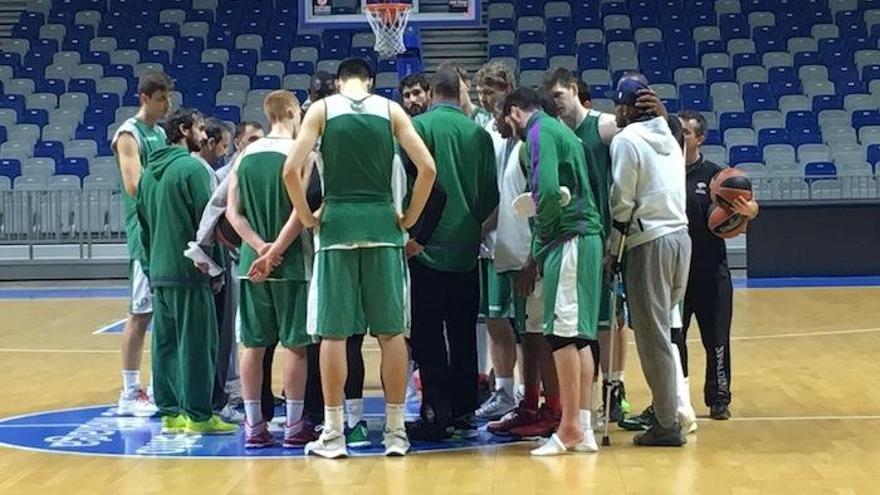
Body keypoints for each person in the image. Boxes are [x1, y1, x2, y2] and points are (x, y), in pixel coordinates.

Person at [281, 58, 437, 458]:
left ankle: (334, 433)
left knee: (333, 334)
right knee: (391, 333)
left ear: (338, 82)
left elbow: (289, 171)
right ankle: (396, 432)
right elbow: (428, 169)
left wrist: (306, 217)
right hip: (384, 229)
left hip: (336, 229)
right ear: (370, 81)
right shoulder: (391, 109)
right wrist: (409, 218)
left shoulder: (320, 110)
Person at [501, 87, 604, 455]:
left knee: (560, 335)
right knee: (578, 337)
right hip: (587, 236)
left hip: (569, 240)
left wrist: (540, 244)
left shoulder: (538, 133)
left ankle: (570, 427)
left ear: (514, 111)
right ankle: (583, 426)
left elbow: (544, 192)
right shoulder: (563, 131)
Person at [405, 67, 499, 441]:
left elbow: (411, 185)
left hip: (425, 248)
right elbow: (490, 197)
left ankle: (434, 410)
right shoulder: (478, 133)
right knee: (463, 335)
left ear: (429, 92)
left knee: (427, 336)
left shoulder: (420, 128)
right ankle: (463, 410)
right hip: (465, 249)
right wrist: (470, 225)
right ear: (458, 92)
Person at [137, 108, 237, 435]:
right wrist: (216, 269)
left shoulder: (149, 172)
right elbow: (207, 224)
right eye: (198, 127)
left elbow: (144, 227)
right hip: (190, 269)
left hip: (160, 268)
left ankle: (170, 411)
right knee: (197, 342)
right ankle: (198, 415)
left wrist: (151, 267)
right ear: (184, 130)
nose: (204, 133)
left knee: (165, 343)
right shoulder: (192, 169)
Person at [226, 90, 315, 448]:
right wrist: (276, 249)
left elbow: (233, 212)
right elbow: (301, 210)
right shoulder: (301, 153)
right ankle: (294, 426)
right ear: (293, 112)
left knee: (253, 345)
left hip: (252, 265)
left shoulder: (244, 155)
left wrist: (259, 248)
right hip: (292, 262)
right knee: (295, 345)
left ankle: (254, 425)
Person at [608, 72, 690, 447]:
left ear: (625, 108)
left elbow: (622, 200)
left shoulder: (626, 140)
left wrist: (613, 252)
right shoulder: (673, 139)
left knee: (652, 334)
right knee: (664, 330)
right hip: (680, 238)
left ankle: (667, 422)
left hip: (649, 241)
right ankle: (667, 407)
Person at [486, 92, 563, 440]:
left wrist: (533, 259)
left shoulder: (534, 142)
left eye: (505, 117)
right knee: (528, 337)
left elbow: (544, 201)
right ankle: (531, 403)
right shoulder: (526, 145)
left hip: (530, 256)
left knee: (542, 337)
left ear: (514, 112)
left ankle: (554, 409)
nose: (503, 124)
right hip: (520, 254)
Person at [678, 110, 758, 420]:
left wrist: (749, 212)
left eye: (686, 132)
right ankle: (677, 397)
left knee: (717, 340)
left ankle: (719, 398)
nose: (681, 137)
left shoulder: (717, 177)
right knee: (675, 340)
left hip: (712, 271)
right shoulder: (664, 171)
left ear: (699, 138)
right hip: (675, 272)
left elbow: (745, 211)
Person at [112, 71, 172, 417]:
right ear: (145, 98)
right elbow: (134, 183)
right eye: (162, 98)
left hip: (161, 226)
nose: (168, 104)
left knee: (160, 309)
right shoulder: (128, 134)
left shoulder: (161, 132)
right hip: (143, 230)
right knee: (139, 313)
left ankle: (154, 385)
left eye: (169, 98)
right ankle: (129, 390)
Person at [470, 61, 520, 421]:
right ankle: (504, 389)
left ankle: (521, 391)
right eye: (480, 93)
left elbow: (509, 190)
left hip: (512, 237)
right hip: (490, 239)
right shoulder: (486, 128)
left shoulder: (518, 129)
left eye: (490, 91)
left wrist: (484, 223)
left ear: (506, 87)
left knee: (520, 323)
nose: (485, 98)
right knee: (495, 318)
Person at [189, 117, 242, 424]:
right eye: (223, 145)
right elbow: (208, 221)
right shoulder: (204, 173)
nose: (224, 151)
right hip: (212, 262)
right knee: (215, 339)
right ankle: (215, 399)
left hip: (208, 261)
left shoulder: (202, 171)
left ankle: (210, 397)